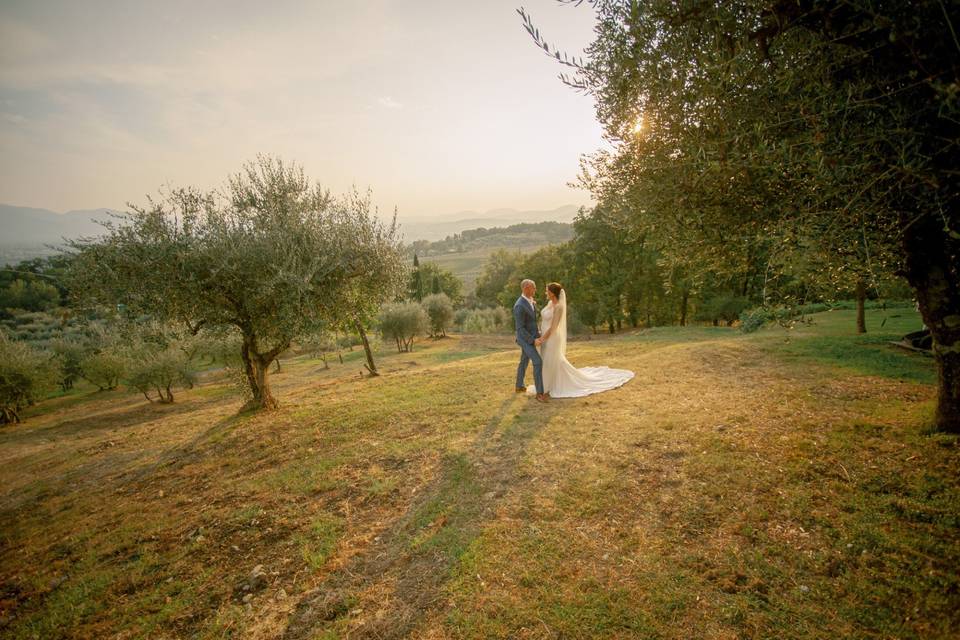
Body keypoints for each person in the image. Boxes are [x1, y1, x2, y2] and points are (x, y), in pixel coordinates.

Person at [530, 282, 634, 398]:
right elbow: (544, 319)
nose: (545, 293)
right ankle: (546, 384)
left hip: (552, 338)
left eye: (547, 291)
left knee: (552, 360)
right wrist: (540, 333)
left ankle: (554, 385)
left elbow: (553, 328)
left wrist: (543, 338)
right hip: (544, 335)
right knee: (546, 360)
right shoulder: (550, 303)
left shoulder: (559, 307)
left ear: (552, 293)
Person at [513, 278, 547, 402]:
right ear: (526, 288)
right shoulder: (519, 306)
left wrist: (538, 333)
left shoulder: (529, 301)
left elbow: (531, 321)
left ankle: (519, 386)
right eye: (534, 287)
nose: (535, 289)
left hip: (531, 336)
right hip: (524, 339)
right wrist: (533, 341)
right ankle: (540, 394)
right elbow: (520, 329)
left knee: (523, 361)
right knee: (537, 361)